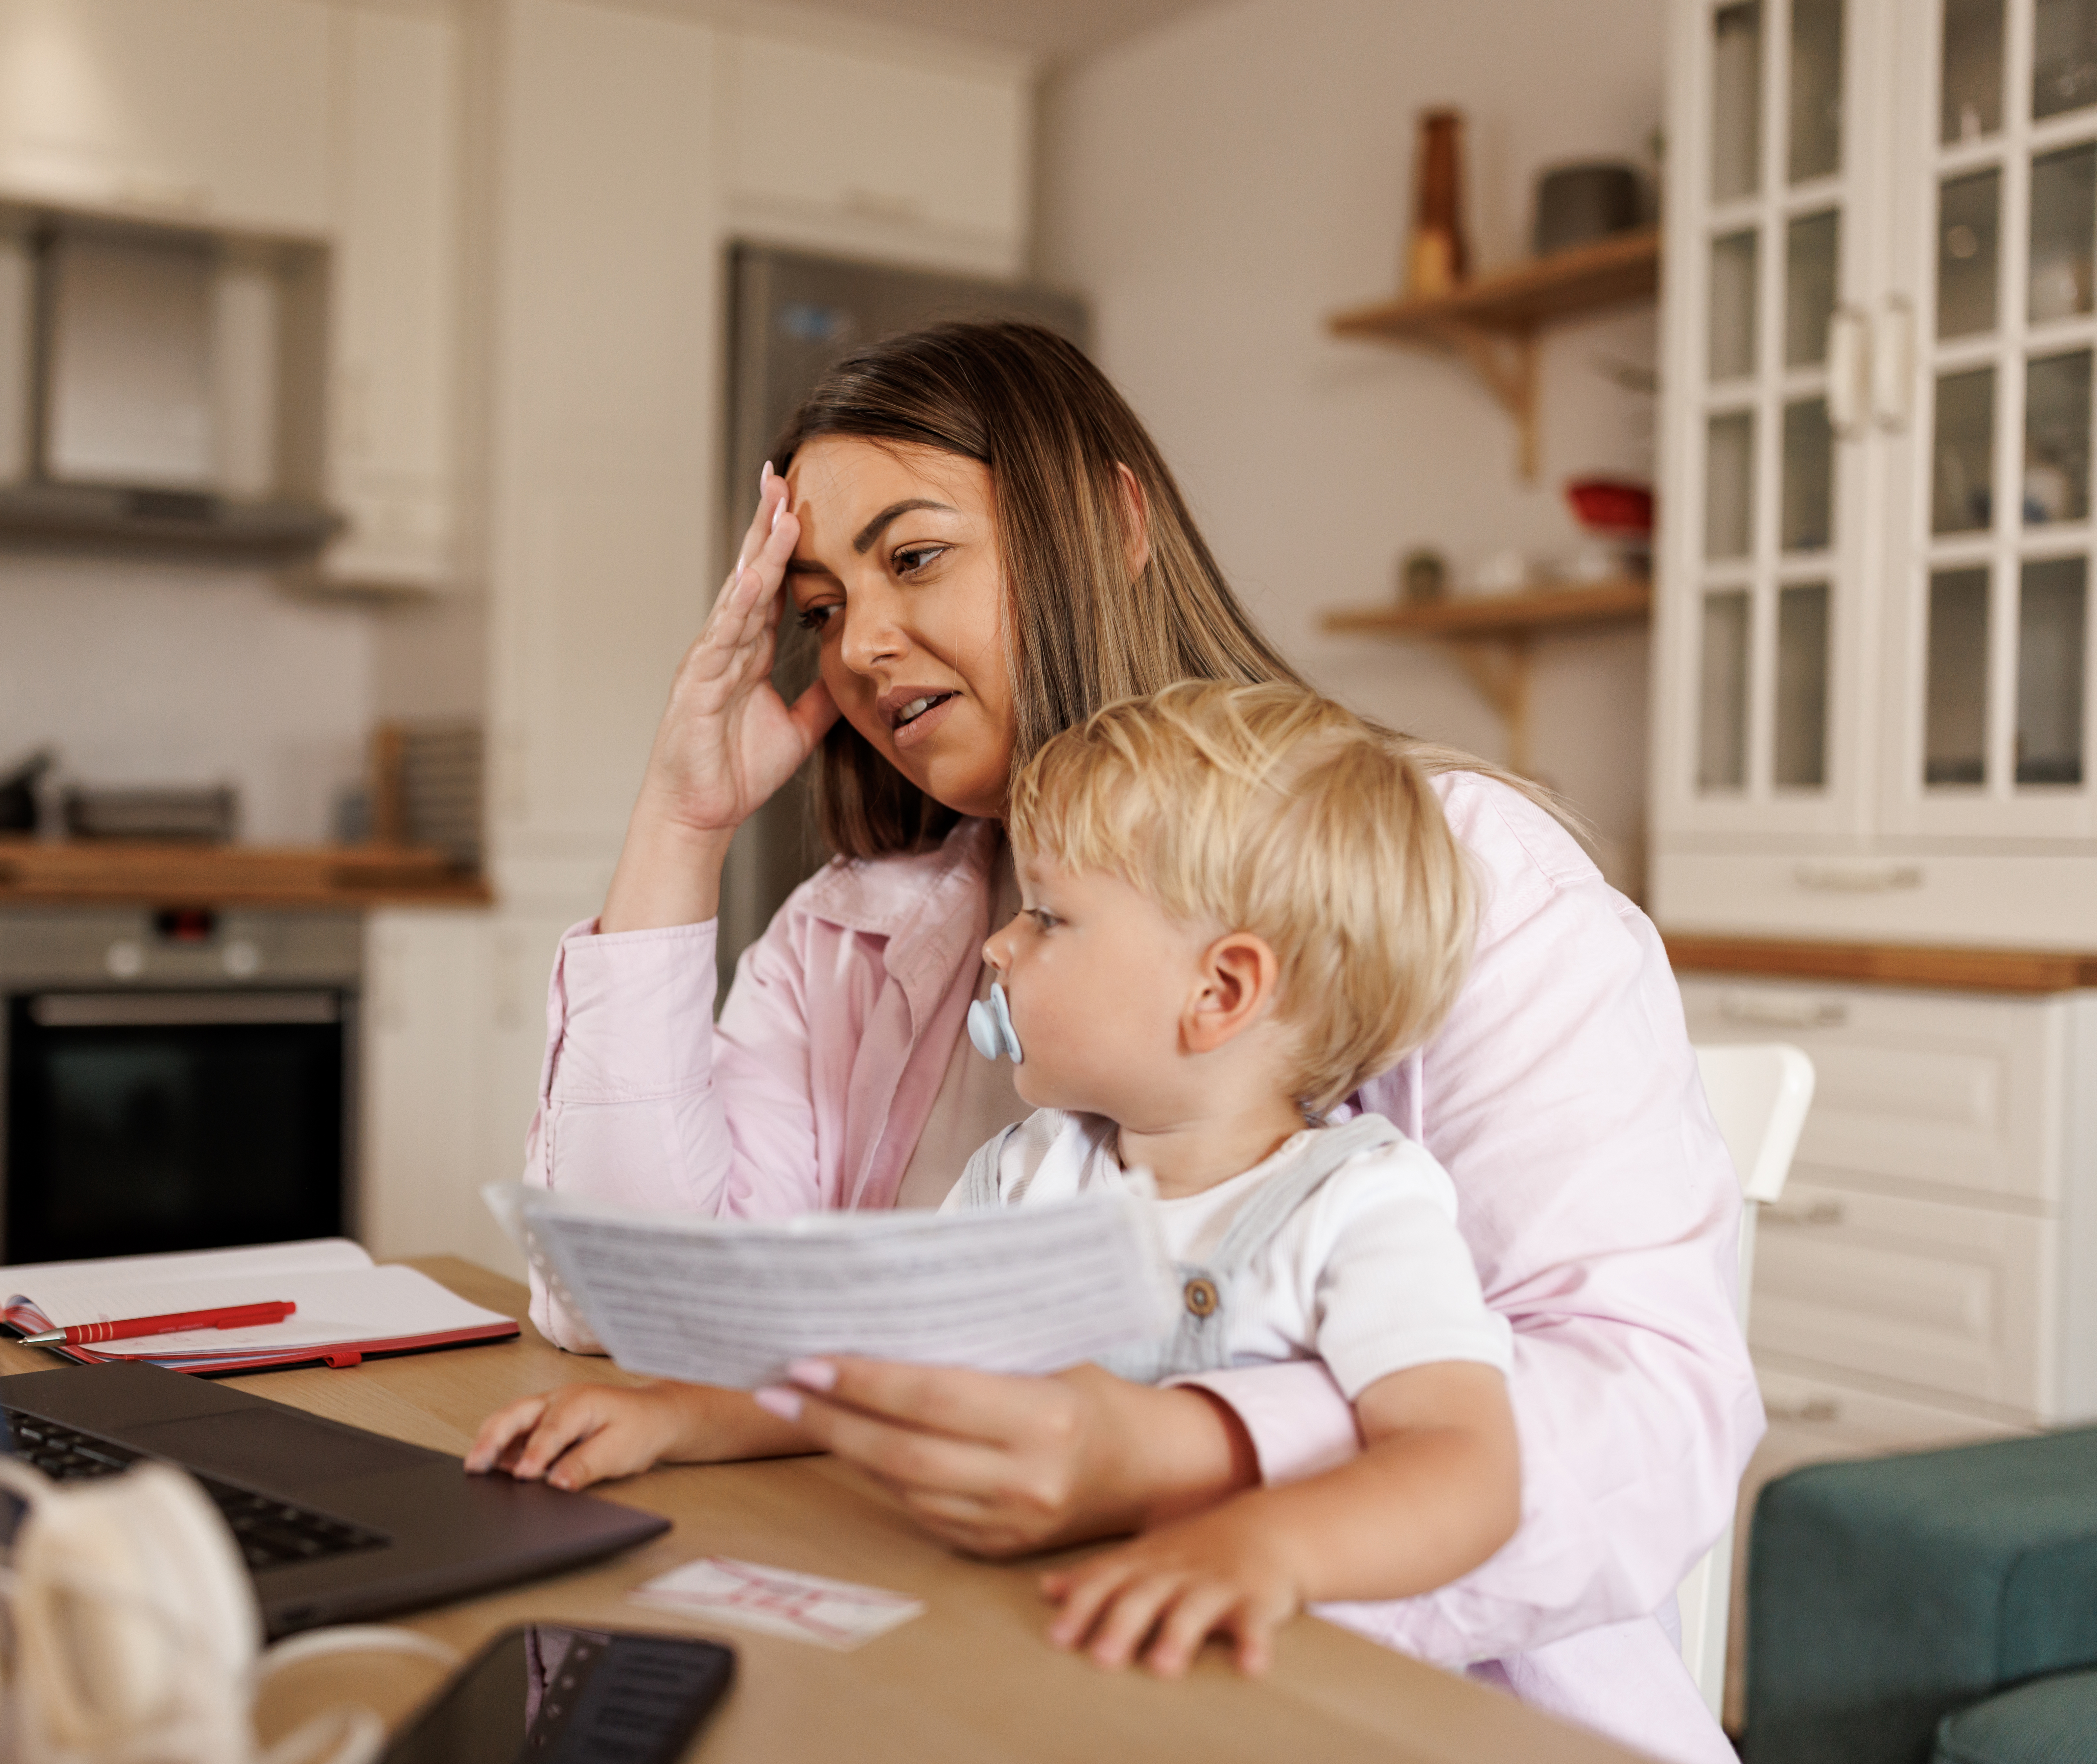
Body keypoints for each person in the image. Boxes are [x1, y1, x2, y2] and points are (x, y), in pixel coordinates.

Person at [502, 320, 1753, 1764]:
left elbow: (1647, 1425)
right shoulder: (860, 927)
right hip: (998, 1670)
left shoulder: (1462, 877)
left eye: (912, 561)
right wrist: (681, 827)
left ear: (1110, 523)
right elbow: (636, 1313)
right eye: (815, 606)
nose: (857, 648)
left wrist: (1179, 1455)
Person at [470, 680, 1526, 1686]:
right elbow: (874, 1359)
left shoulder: (1362, 1205)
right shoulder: (1030, 1167)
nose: (999, 943)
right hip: (1036, 1648)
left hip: (1251, 1684)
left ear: (1222, 990)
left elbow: (1466, 1465)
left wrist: (1263, 1551)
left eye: (1052, 919)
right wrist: (676, 1421)